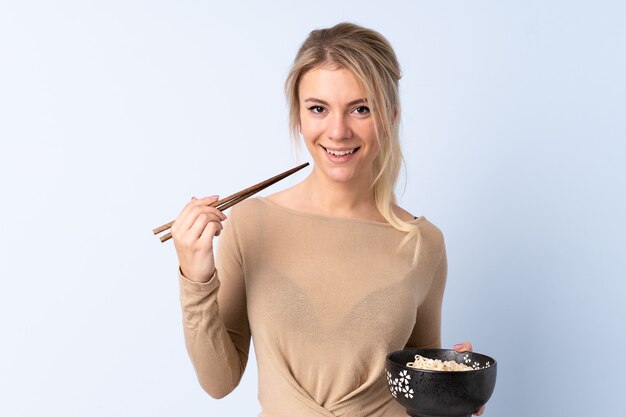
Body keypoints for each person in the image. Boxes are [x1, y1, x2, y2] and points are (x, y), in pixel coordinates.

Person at [171, 22, 485, 416]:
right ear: (299, 116)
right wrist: (195, 277)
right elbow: (219, 382)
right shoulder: (252, 224)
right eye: (318, 108)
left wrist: (450, 392)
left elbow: (415, 391)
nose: (337, 131)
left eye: (360, 109)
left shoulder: (424, 242)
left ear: (389, 115)